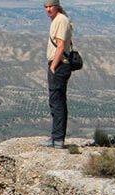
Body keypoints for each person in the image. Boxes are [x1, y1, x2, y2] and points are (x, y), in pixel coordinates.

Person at [43, 0, 73, 149]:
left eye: (51, 6)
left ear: (57, 6)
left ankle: (58, 139)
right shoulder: (58, 20)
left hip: (59, 65)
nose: (48, 9)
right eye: (46, 7)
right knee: (56, 100)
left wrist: (53, 66)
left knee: (57, 101)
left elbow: (60, 45)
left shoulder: (60, 20)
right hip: (59, 64)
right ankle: (55, 137)